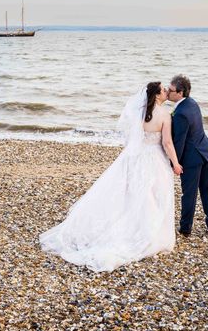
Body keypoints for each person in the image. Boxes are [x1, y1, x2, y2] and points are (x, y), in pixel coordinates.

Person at [39, 82, 182, 272]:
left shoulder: (139, 112)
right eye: (163, 90)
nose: (166, 92)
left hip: (135, 158)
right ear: (156, 96)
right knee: (154, 195)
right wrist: (176, 163)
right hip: (154, 159)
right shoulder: (164, 115)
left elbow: (132, 137)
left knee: (134, 195)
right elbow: (167, 143)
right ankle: (148, 234)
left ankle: (136, 226)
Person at [167, 75, 208, 237]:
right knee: (205, 189)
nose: (167, 92)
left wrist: (175, 163)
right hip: (205, 152)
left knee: (189, 193)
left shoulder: (181, 113)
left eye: (171, 90)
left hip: (192, 159)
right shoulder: (192, 103)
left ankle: (185, 228)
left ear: (180, 93)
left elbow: (179, 141)